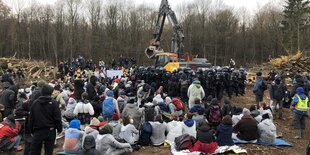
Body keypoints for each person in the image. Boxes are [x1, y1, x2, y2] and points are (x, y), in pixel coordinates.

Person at [29, 84, 62, 155]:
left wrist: (31, 130)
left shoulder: (35, 103)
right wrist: (59, 129)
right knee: (49, 151)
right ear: (51, 92)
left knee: (35, 151)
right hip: (50, 130)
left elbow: (31, 118)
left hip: (38, 130)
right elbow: (58, 118)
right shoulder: (54, 103)